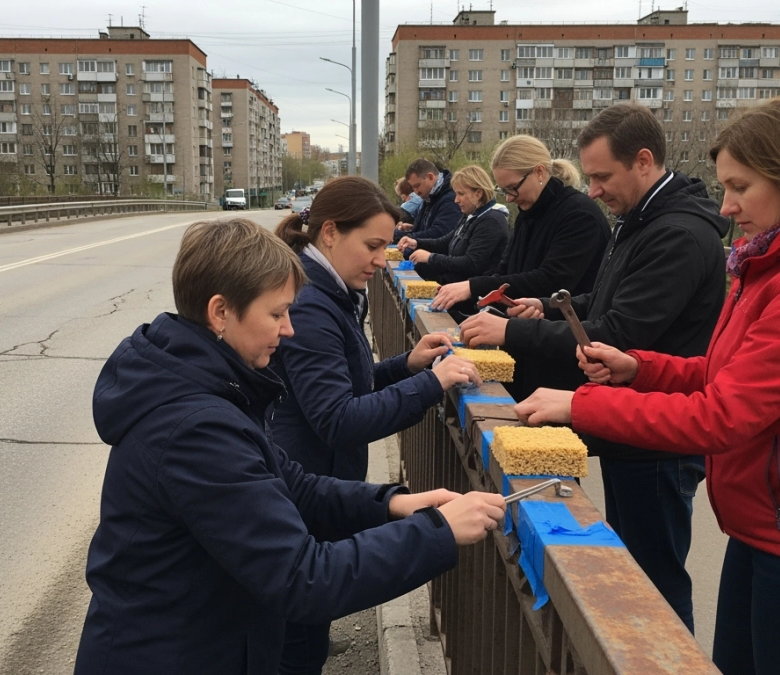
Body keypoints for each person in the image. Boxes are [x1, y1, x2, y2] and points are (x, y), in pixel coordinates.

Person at [513, 97, 780, 675]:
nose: (728, 206)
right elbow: (725, 370)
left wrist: (582, 403)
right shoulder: (776, 260)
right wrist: (640, 369)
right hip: (772, 525)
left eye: (741, 187)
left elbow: (724, 414)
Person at [75, 218, 506, 675]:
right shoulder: (195, 428)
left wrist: (394, 504)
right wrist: (436, 531)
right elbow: (303, 577)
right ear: (220, 313)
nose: (289, 330)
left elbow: (291, 484)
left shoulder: (210, 382)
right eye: (277, 314)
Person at [459, 104, 729, 633]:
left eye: (603, 176)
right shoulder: (645, 218)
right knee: (636, 568)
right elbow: (609, 302)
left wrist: (511, 331)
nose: (595, 189)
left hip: (660, 435)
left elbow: (623, 331)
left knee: (654, 583)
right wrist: (556, 306)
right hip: (638, 424)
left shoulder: (675, 233)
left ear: (644, 162)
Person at [270, 177, 487, 674]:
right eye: (372, 245)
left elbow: (342, 384)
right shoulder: (310, 302)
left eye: (386, 246)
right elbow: (337, 418)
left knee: (302, 634)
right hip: (303, 483)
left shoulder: (325, 287)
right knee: (296, 645)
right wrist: (431, 385)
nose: (380, 259)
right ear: (329, 233)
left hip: (310, 480)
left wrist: (405, 366)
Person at [429, 135, 610, 375]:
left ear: (539, 172)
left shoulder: (579, 215)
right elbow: (506, 271)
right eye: (504, 190)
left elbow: (551, 280)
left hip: (565, 356)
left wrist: (472, 286)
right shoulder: (529, 209)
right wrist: (466, 295)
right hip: (528, 342)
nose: (510, 198)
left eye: (513, 188)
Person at [395, 165, 510, 286]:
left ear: (478, 193)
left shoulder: (491, 221)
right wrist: (416, 243)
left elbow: (471, 264)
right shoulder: (470, 216)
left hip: (472, 298)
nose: (456, 200)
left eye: (461, 194)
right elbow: (445, 242)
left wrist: (430, 258)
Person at [399, 158, 463, 242]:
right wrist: (412, 229)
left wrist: (400, 236)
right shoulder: (430, 196)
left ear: (430, 177)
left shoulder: (450, 198)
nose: (416, 192)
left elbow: (438, 233)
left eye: (417, 186)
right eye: (413, 187)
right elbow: (427, 231)